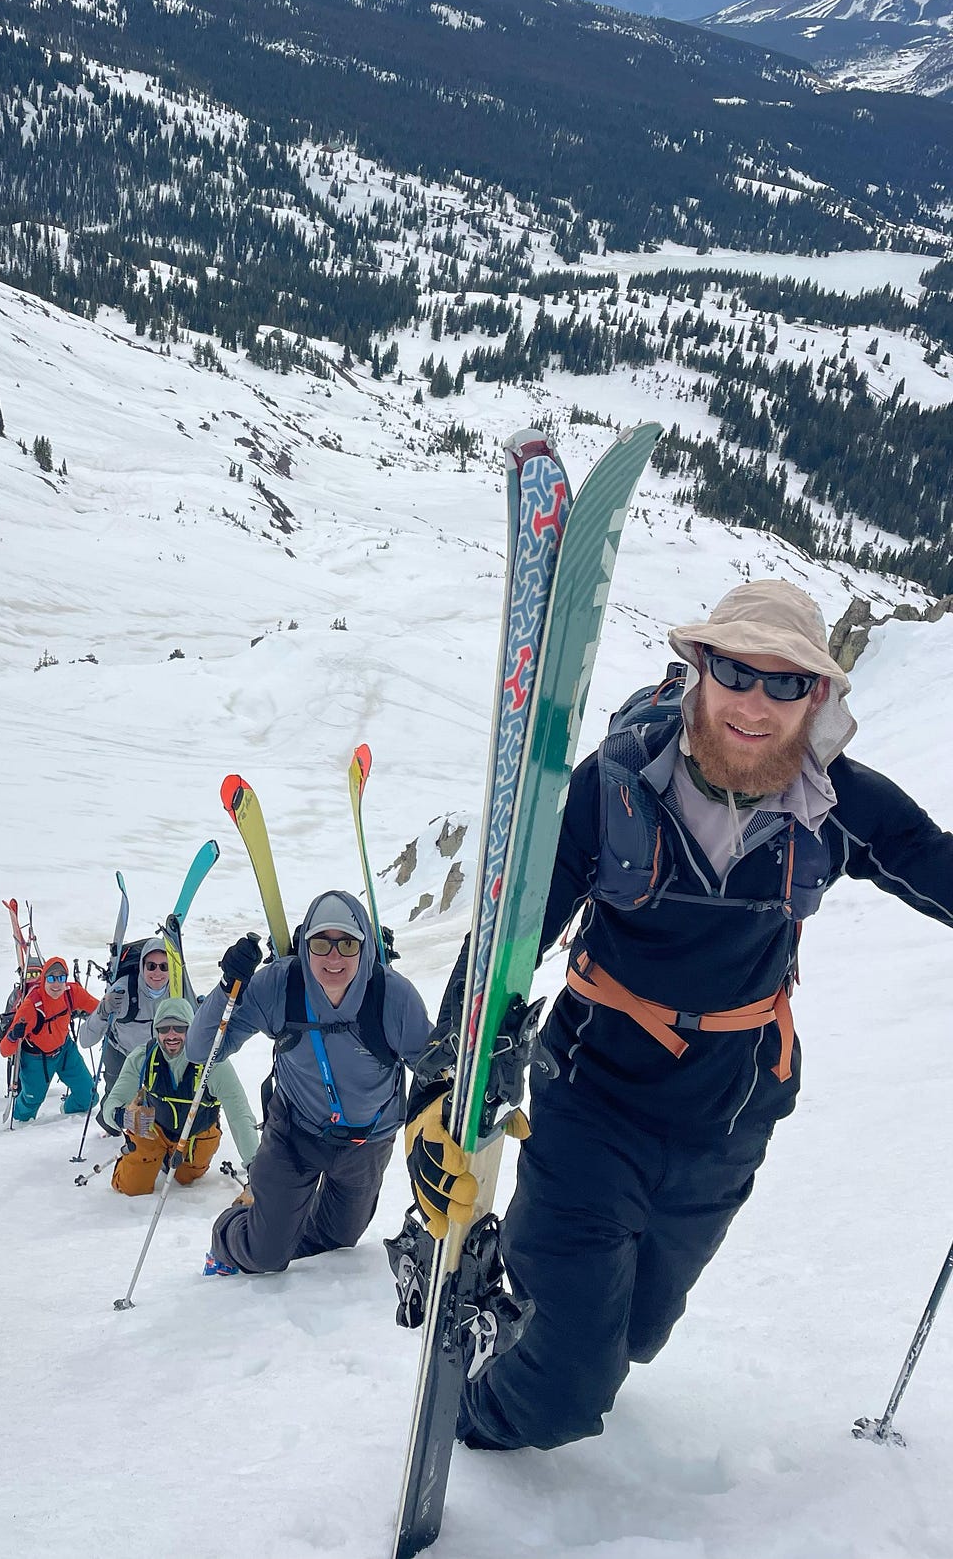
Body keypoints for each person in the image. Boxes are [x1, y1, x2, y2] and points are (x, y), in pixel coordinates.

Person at [403, 579, 953, 1453]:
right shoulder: (617, 785)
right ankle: (479, 1407)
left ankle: (541, 1297)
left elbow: (931, 860)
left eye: (786, 681)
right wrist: (445, 1071)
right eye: (735, 671)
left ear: (818, 695)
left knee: (637, 1334)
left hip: (728, 1115)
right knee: (567, 1393)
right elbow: (512, 933)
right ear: (699, 667)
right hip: (595, 1100)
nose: (755, 703)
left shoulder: (835, 803)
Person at [190, 890, 430, 1276]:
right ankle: (233, 1232)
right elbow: (202, 1050)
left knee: (337, 1244)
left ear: (365, 947)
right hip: (294, 1134)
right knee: (264, 1256)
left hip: (367, 1141)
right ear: (305, 947)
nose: (333, 958)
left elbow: (433, 1069)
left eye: (347, 944)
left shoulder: (393, 997)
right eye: (321, 943)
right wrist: (226, 988)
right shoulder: (278, 986)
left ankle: (277, 1227)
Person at [100, 996, 260, 1195]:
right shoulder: (143, 1058)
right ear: (156, 1031)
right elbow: (113, 1102)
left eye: (179, 1028)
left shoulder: (213, 1063)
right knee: (131, 1187)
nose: (171, 1035)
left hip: (196, 1134)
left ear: (191, 1029)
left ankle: (167, 1160)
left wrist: (256, 1169)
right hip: (154, 1130)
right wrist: (121, 1116)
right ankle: (153, 1156)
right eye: (164, 1028)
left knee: (186, 1178)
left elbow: (240, 1116)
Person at [77, 934, 184, 1125]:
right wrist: (103, 1011)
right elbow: (85, 1040)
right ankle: (110, 1127)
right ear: (142, 967)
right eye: (151, 966)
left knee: (161, 1099)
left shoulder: (178, 991)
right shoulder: (122, 990)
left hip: (158, 1054)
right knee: (117, 1099)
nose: (157, 972)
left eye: (164, 966)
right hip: (121, 1053)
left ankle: (151, 1133)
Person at [0, 955, 99, 1123]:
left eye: (61, 978)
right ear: (43, 979)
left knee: (89, 1096)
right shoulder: (31, 1006)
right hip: (36, 1059)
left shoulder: (71, 993)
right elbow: (5, 1050)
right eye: (51, 978)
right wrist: (13, 1035)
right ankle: (19, 1127)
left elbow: (99, 1009)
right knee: (30, 1104)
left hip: (65, 1051)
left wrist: (113, 1006)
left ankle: (67, 1111)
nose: (56, 984)